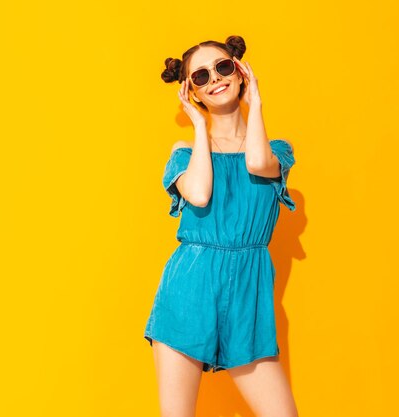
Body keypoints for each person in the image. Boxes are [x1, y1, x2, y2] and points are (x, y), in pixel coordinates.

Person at [143, 35, 299, 417]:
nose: (215, 78)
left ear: (240, 71)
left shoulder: (277, 150)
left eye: (223, 67)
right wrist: (199, 124)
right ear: (191, 91)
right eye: (200, 76)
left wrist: (256, 102)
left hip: (249, 297)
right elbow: (198, 194)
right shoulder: (185, 153)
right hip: (188, 293)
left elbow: (256, 163)